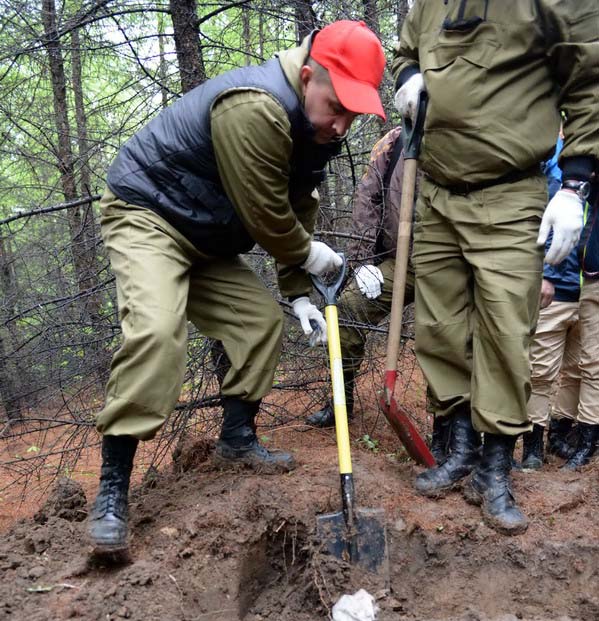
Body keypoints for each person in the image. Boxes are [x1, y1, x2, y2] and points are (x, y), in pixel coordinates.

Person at [88, 20, 387, 552]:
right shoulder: (256, 106)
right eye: (337, 105)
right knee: (157, 333)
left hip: (205, 236)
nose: (343, 124)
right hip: (149, 215)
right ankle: (113, 489)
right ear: (309, 75)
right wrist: (311, 257)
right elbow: (265, 212)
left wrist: (296, 290)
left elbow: (298, 204)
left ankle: (237, 439)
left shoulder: (312, 128)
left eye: (353, 113)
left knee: (258, 322)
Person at [393, 1, 598, 535]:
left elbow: (590, 79)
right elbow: (407, 51)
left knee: (507, 332)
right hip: (434, 193)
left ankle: (495, 467)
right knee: (439, 327)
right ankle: (460, 449)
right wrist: (410, 75)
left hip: (510, 196)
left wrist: (575, 185)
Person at [305, 125, 452, 463]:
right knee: (347, 309)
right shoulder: (394, 141)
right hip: (396, 261)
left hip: (445, 264)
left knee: (445, 337)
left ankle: (444, 431)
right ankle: (340, 402)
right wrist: (364, 262)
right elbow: (368, 198)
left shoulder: (460, 132)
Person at [522, 135, 583, 470]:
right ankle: (532, 447)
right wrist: (545, 273)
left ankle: (562, 436)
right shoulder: (550, 153)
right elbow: (538, 218)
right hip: (555, 285)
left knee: (580, 369)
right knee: (542, 370)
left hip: (589, 290)